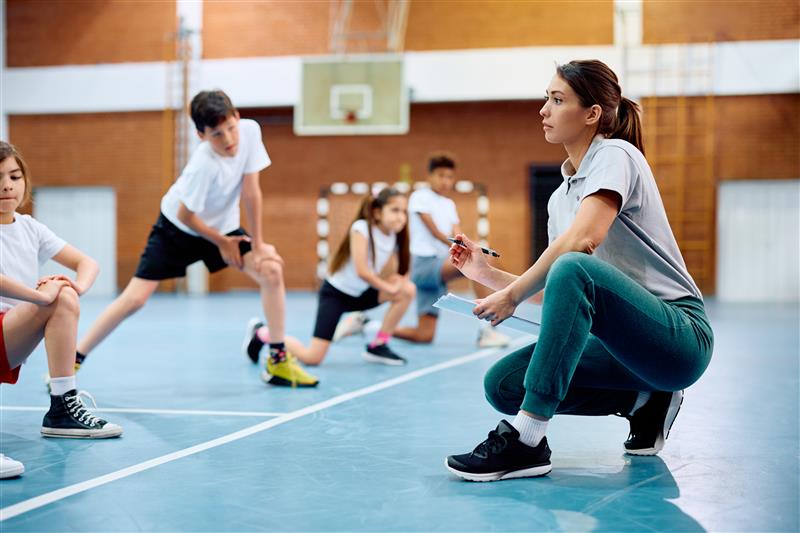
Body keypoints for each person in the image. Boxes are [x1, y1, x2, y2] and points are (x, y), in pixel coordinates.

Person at [444, 60, 714, 481]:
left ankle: (527, 440)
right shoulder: (560, 198)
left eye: (556, 100)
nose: (543, 110)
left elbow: (582, 246)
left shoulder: (615, 154)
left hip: (678, 337)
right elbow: (560, 290)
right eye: (545, 99)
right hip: (623, 350)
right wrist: (486, 275)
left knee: (574, 264)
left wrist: (510, 297)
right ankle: (645, 400)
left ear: (592, 114)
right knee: (504, 383)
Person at [74, 90, 318, 387]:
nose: (229, 139)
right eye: (217, 134)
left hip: (222, 228)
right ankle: (73, 358)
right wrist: (222, 242)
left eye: (230, 127)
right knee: (135, 299)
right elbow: (187, 215)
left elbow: (251, 191)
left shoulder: (250, 133)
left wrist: (257, 244)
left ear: (237, 117)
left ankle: (277, 360)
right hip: (178, 230)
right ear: (201, 135)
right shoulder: (203, 165)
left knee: (271, 269)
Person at [0, 142, 123, 478]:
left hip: (7, 334)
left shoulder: (29, 228)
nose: (7, 185)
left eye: (14, 175)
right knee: (54, 296)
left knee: (64, 296)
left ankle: (61, 409)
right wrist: (38, 296)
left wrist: (74, 287)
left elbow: (87, 262)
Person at [244, 187, 415, 367]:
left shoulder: (395, 234)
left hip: (361, 294)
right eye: (395, 210)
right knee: (313, 358)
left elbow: (405, 267)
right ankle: (262, 333)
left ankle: (378, 345)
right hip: (336, 295)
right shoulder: (362, 228)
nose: (401, 216)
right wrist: (389, 287)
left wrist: (400, 281)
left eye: (404, 211)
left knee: (407, 290)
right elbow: (362, 271)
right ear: (377, 212)